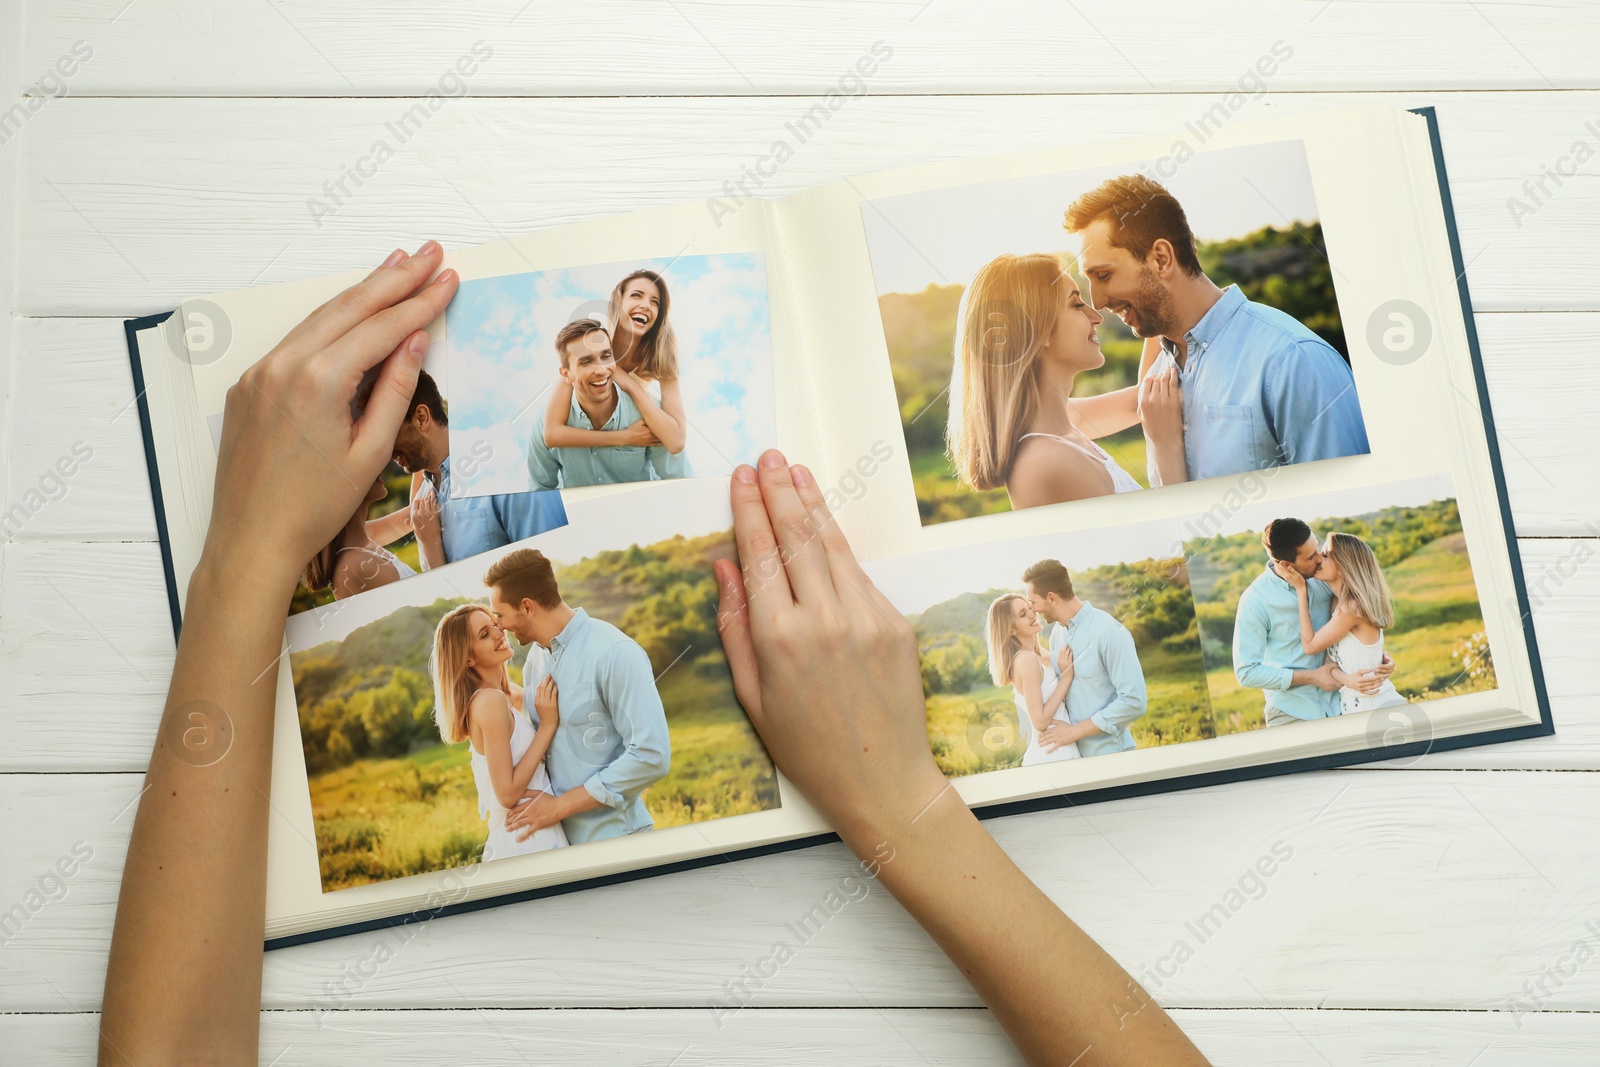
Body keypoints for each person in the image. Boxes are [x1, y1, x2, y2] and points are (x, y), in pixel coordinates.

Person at [98, 241, 1211, 1066]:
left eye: (496, 614)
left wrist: (242, 563)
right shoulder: (524, 661)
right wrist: (897, 800)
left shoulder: (583, 621)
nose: (497, 626)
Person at [1065, 174, 1370, 482]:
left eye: (1103, 275)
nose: (1098, 302)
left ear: (1161, 259)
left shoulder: (1294, 360)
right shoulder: (1158, 371)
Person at [947, 252, 1187, 508]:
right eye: (1076, 305)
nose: (1096, 317)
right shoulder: (1048, 463)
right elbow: (1175, 538)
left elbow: (1144, 397)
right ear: (1036, 332)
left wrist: (1154, 300)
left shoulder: (1062, 424)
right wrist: (1167, 447)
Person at [482, 546, 671, 843]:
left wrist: (558, 807)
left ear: (527, 607)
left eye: (501, 615)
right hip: (562, 846)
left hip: (620, 841)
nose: (500, 626)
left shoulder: (614, 653)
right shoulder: (534, 659)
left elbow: (652, 756)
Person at [385, 366, 569, 561]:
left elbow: (554, 560)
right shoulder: (421, 505)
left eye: (390, 434)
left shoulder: (509, 467)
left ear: (421, 418)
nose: (386, 453)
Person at [430, 604, 568, 860]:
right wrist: (547, 726)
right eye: (484, 634)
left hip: (535, 830)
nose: (498, 633)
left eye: (494, 624)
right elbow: (507, 793)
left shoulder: (502, 695)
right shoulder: (489, 702)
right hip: (526, 839)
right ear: (468, 658)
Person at [1234, 517, 1396, 727]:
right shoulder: (1255, 601)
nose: (1319, 558)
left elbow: (1357, 621)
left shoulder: (1324, 581)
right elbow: (1246, 673)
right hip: (1292, 713)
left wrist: (1377, 658)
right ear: (1286, 565)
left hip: (1343, 705)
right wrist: (1312, 677)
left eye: (1319, 549)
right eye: (1311, 557)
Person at [540, 268, 691, 476]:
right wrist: (625, 437)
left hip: (631, 456)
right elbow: (552, 434)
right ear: (618, 302)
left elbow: (676, 442)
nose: (646, 305)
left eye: (655, 302)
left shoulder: (661, 360)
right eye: (636, 295)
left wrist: (632, 386)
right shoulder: (592, 345)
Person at [526, 319, 684, 490]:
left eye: (606, 356)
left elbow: (678, 479)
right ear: (566, 374)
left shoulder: (649, 414)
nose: (601, 369)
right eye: (586, 362)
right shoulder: (548, 418)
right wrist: (624, 438)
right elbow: (540, 490)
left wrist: (633, 387)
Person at [1022, 559, 1147, 756]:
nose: (1033, 610)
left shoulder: (1109, 632)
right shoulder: (1057, 634)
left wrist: (1074, 732)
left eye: (1033, 602)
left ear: (1052, 598)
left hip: (1113, 756)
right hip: (1075, 759)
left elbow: (1134, 702)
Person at [1276, 531, 1409, 716]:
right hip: (1354, 707)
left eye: (1326, 554)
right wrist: (1347, 679)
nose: (1319, 559)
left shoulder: (1351, 608)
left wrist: (1301, 590)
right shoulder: (1337, 604)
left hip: (1375, 706)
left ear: (1343, 566)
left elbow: (1310, 646)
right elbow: (1332, 661)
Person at [301, 472, 439, 599]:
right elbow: (436, 602)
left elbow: (414, 514)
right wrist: (431, 543)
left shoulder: (356, 538)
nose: (378, 467)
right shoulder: (356, 567)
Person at [985, 593, 1081, 765]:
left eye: (1030, 608)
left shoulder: (1035, 655)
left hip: (1058, 749)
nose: (1032, 614)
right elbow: (1039, 721)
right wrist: (1066, 677)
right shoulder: (1026, 660)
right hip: (1052, 754)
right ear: (1011, 630)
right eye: (1022, 614)